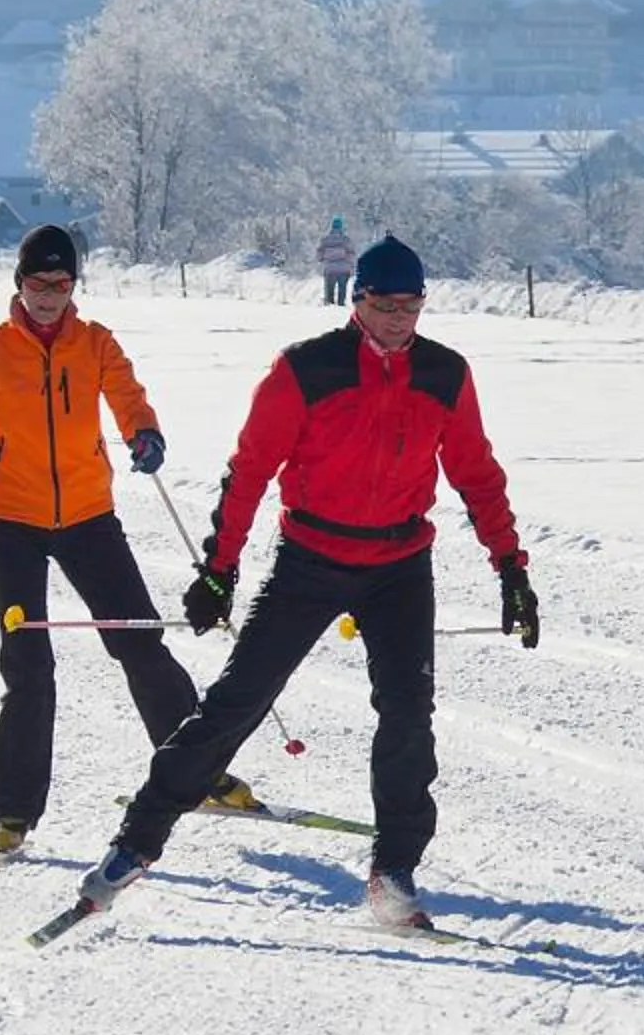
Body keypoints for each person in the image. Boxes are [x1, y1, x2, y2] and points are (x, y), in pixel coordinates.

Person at [80, 233, 538, 932]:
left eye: (411, 306)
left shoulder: (444, 373)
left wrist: (511, 570)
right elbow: (250, 470)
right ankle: (134, 846)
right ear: (358, 301)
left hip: (399, 565)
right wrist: (219, 568)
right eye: (385, 306)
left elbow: (476, 474)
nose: (398, 320)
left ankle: (394, 873)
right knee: (238, 701)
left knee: (409, 714)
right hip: (311, 559)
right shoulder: (305, 369)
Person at [0, 222, 257, 858]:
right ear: (19, 283)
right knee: (28, 665)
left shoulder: (95, 342)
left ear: (75, 286)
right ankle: (13, 812)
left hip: (87, 515)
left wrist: (144, 433)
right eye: (39, 283)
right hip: (11, 522)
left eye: (62, 283)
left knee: (140, 642)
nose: (50, 296)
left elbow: (128, 396)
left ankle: (199, 772)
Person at [315, 216, 357, 305]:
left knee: (329, 292)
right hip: (343, 269)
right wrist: (351, 265)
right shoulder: (346, 240)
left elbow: (319, 254)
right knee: (342, 291)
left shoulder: (325, 240)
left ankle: (329, 305)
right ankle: (340, 305)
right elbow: (352, 254)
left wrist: (322, 260)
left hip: (329, 269)